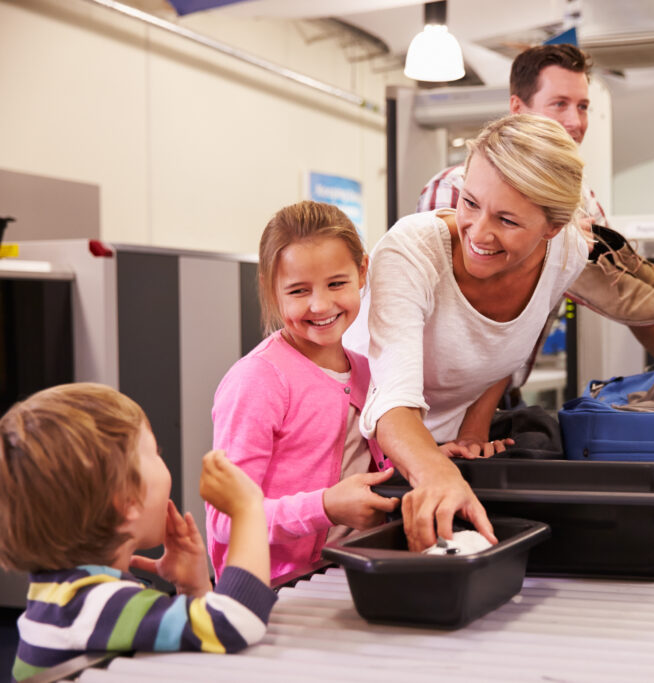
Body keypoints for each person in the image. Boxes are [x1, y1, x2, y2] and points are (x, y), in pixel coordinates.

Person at [348, 113, 588, 550]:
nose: (479, 233)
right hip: (355, 451)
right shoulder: (412, 252)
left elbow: (506, 343)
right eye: (470, 202)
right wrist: (438, 474)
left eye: (508, 221)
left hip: (440, 455)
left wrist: (473, 432)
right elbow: (392, 404)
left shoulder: (568, 252)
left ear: (552, 228)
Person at [418, 43, 654, 370]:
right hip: (437, 383)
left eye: (582, 106)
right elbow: (450, 300)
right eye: (559, 104)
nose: (575, 121)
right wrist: (556, 249)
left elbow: (632, 302)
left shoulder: (582, 200)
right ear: (518, 109)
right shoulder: (456, 187)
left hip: (504, 385)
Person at [0, 383, 276, 681]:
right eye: (154, 451)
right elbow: (235, 624)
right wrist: (248, 510)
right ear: (128, 500)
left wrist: (193, 590)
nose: (162, 457)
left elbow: (194, 643)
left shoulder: (65, 594)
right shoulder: (92, 605)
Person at [208, 201, 399, 582]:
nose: (320, 304)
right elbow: (226, 519)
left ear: (362, 272)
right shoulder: (258, 381)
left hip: (350, 573)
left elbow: (366, 463)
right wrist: (326, 507)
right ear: (269, 287)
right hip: (274, 590)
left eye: (336, 283)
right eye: (298, 290)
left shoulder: (364, 369)